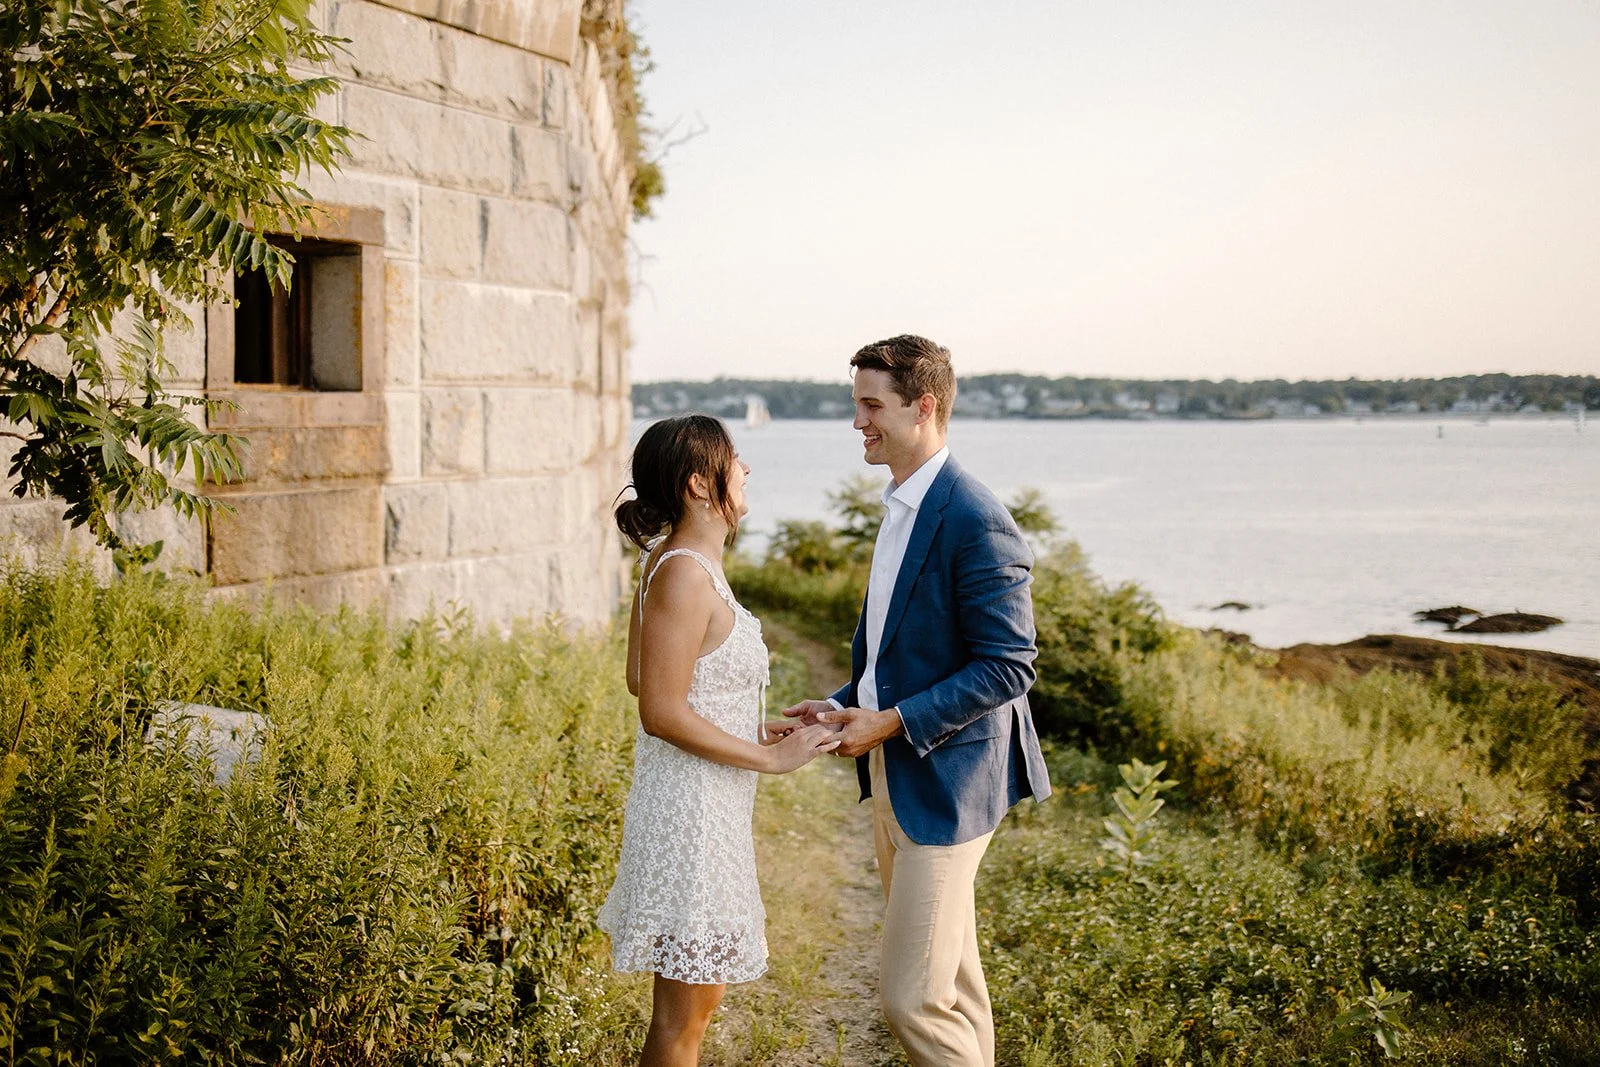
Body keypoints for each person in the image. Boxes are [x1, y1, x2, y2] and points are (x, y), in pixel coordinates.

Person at [779, 335, 1052, 1067]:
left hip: (952, 783)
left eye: (872, 405)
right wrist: (844, 703)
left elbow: (1009, 665)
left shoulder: (975, 517)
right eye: (857, 405)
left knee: (910, 998)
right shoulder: (901, 503)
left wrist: (892, 720)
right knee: (955, 985)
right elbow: (899, 648)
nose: (859, 422)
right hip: (897, 775)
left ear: (923, 406)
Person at [598, 414, 842, 1067]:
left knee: (696, 1009)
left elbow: (649, 678)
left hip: (710, 809)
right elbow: (658, 707)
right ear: (701, 483)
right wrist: (768, 755)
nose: (748, 469)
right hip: (692, 815)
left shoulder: (684, 562)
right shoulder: (681, 570)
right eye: (736, 460)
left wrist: (751, 723)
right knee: (684, 1021)